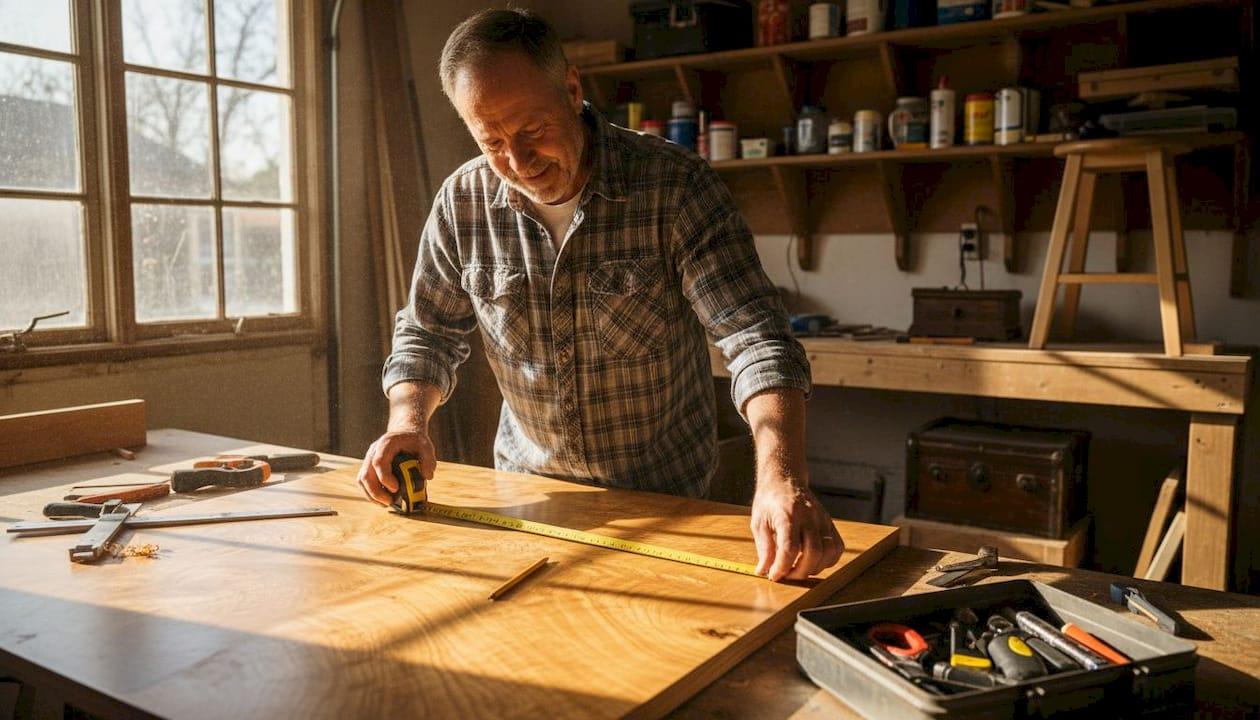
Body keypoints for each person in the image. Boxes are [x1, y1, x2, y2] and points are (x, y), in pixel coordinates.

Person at [355, 8, 842, 582]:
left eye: (533, 130)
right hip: (529, 498)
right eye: (492, 142)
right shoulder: (461, 203)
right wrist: (407, 422)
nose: (518, 162)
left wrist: (783, 476)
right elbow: (427, 332)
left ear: (571, 88)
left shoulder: (674, 187)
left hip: (668, 500)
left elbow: (754, 337)